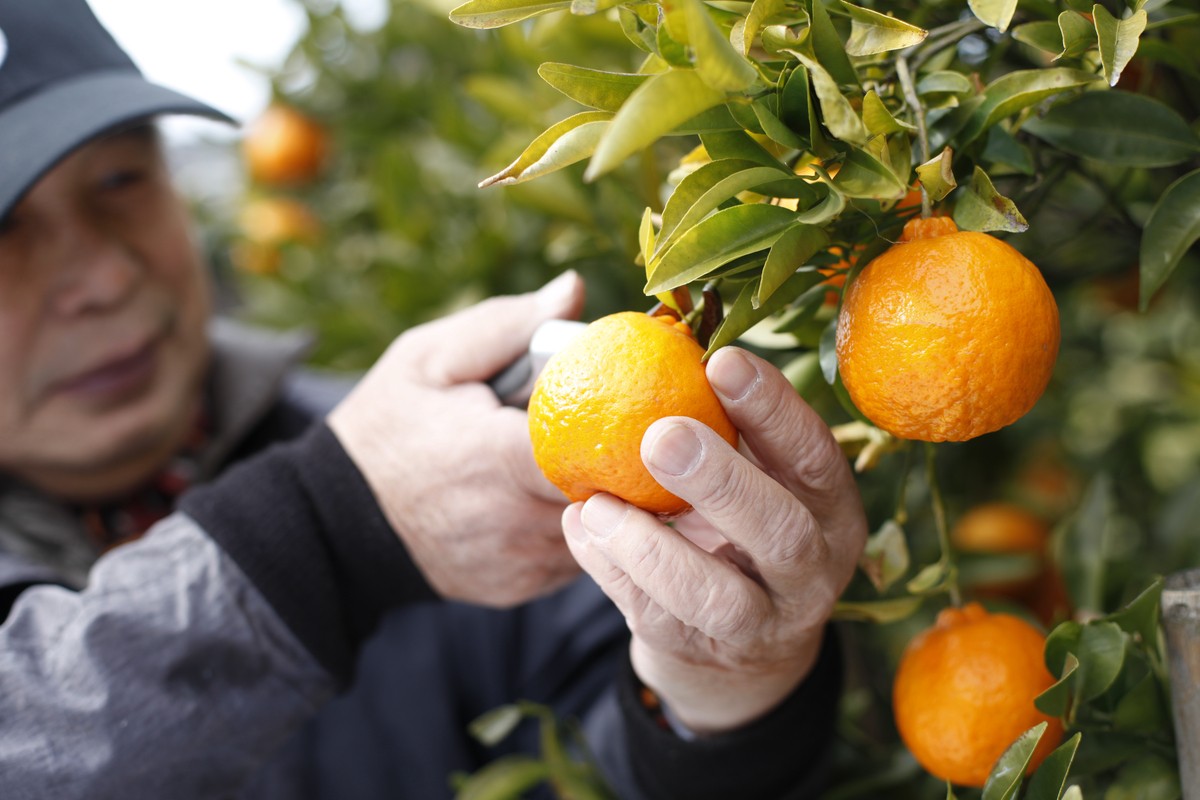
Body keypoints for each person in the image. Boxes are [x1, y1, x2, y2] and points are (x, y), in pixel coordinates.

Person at [0, 1, 869, 798]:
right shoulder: (363, 490)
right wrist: (329, 532)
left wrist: (719, 700)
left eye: (118, 182)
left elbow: (592, 761)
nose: (105, 276)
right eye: (6, 228)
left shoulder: (433, 457)